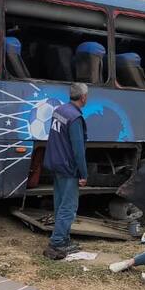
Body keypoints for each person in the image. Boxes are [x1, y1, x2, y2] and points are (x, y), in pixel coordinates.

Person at [42, 83, 89, 260]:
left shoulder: (59, 111)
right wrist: (83, 173)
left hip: (56, 163)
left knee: (60, 203)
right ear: (83, 97)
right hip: (69, 167)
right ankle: (57, 242)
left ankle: (64, 239)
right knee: (68, 207)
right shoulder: (75, 118)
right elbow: (78, 150)